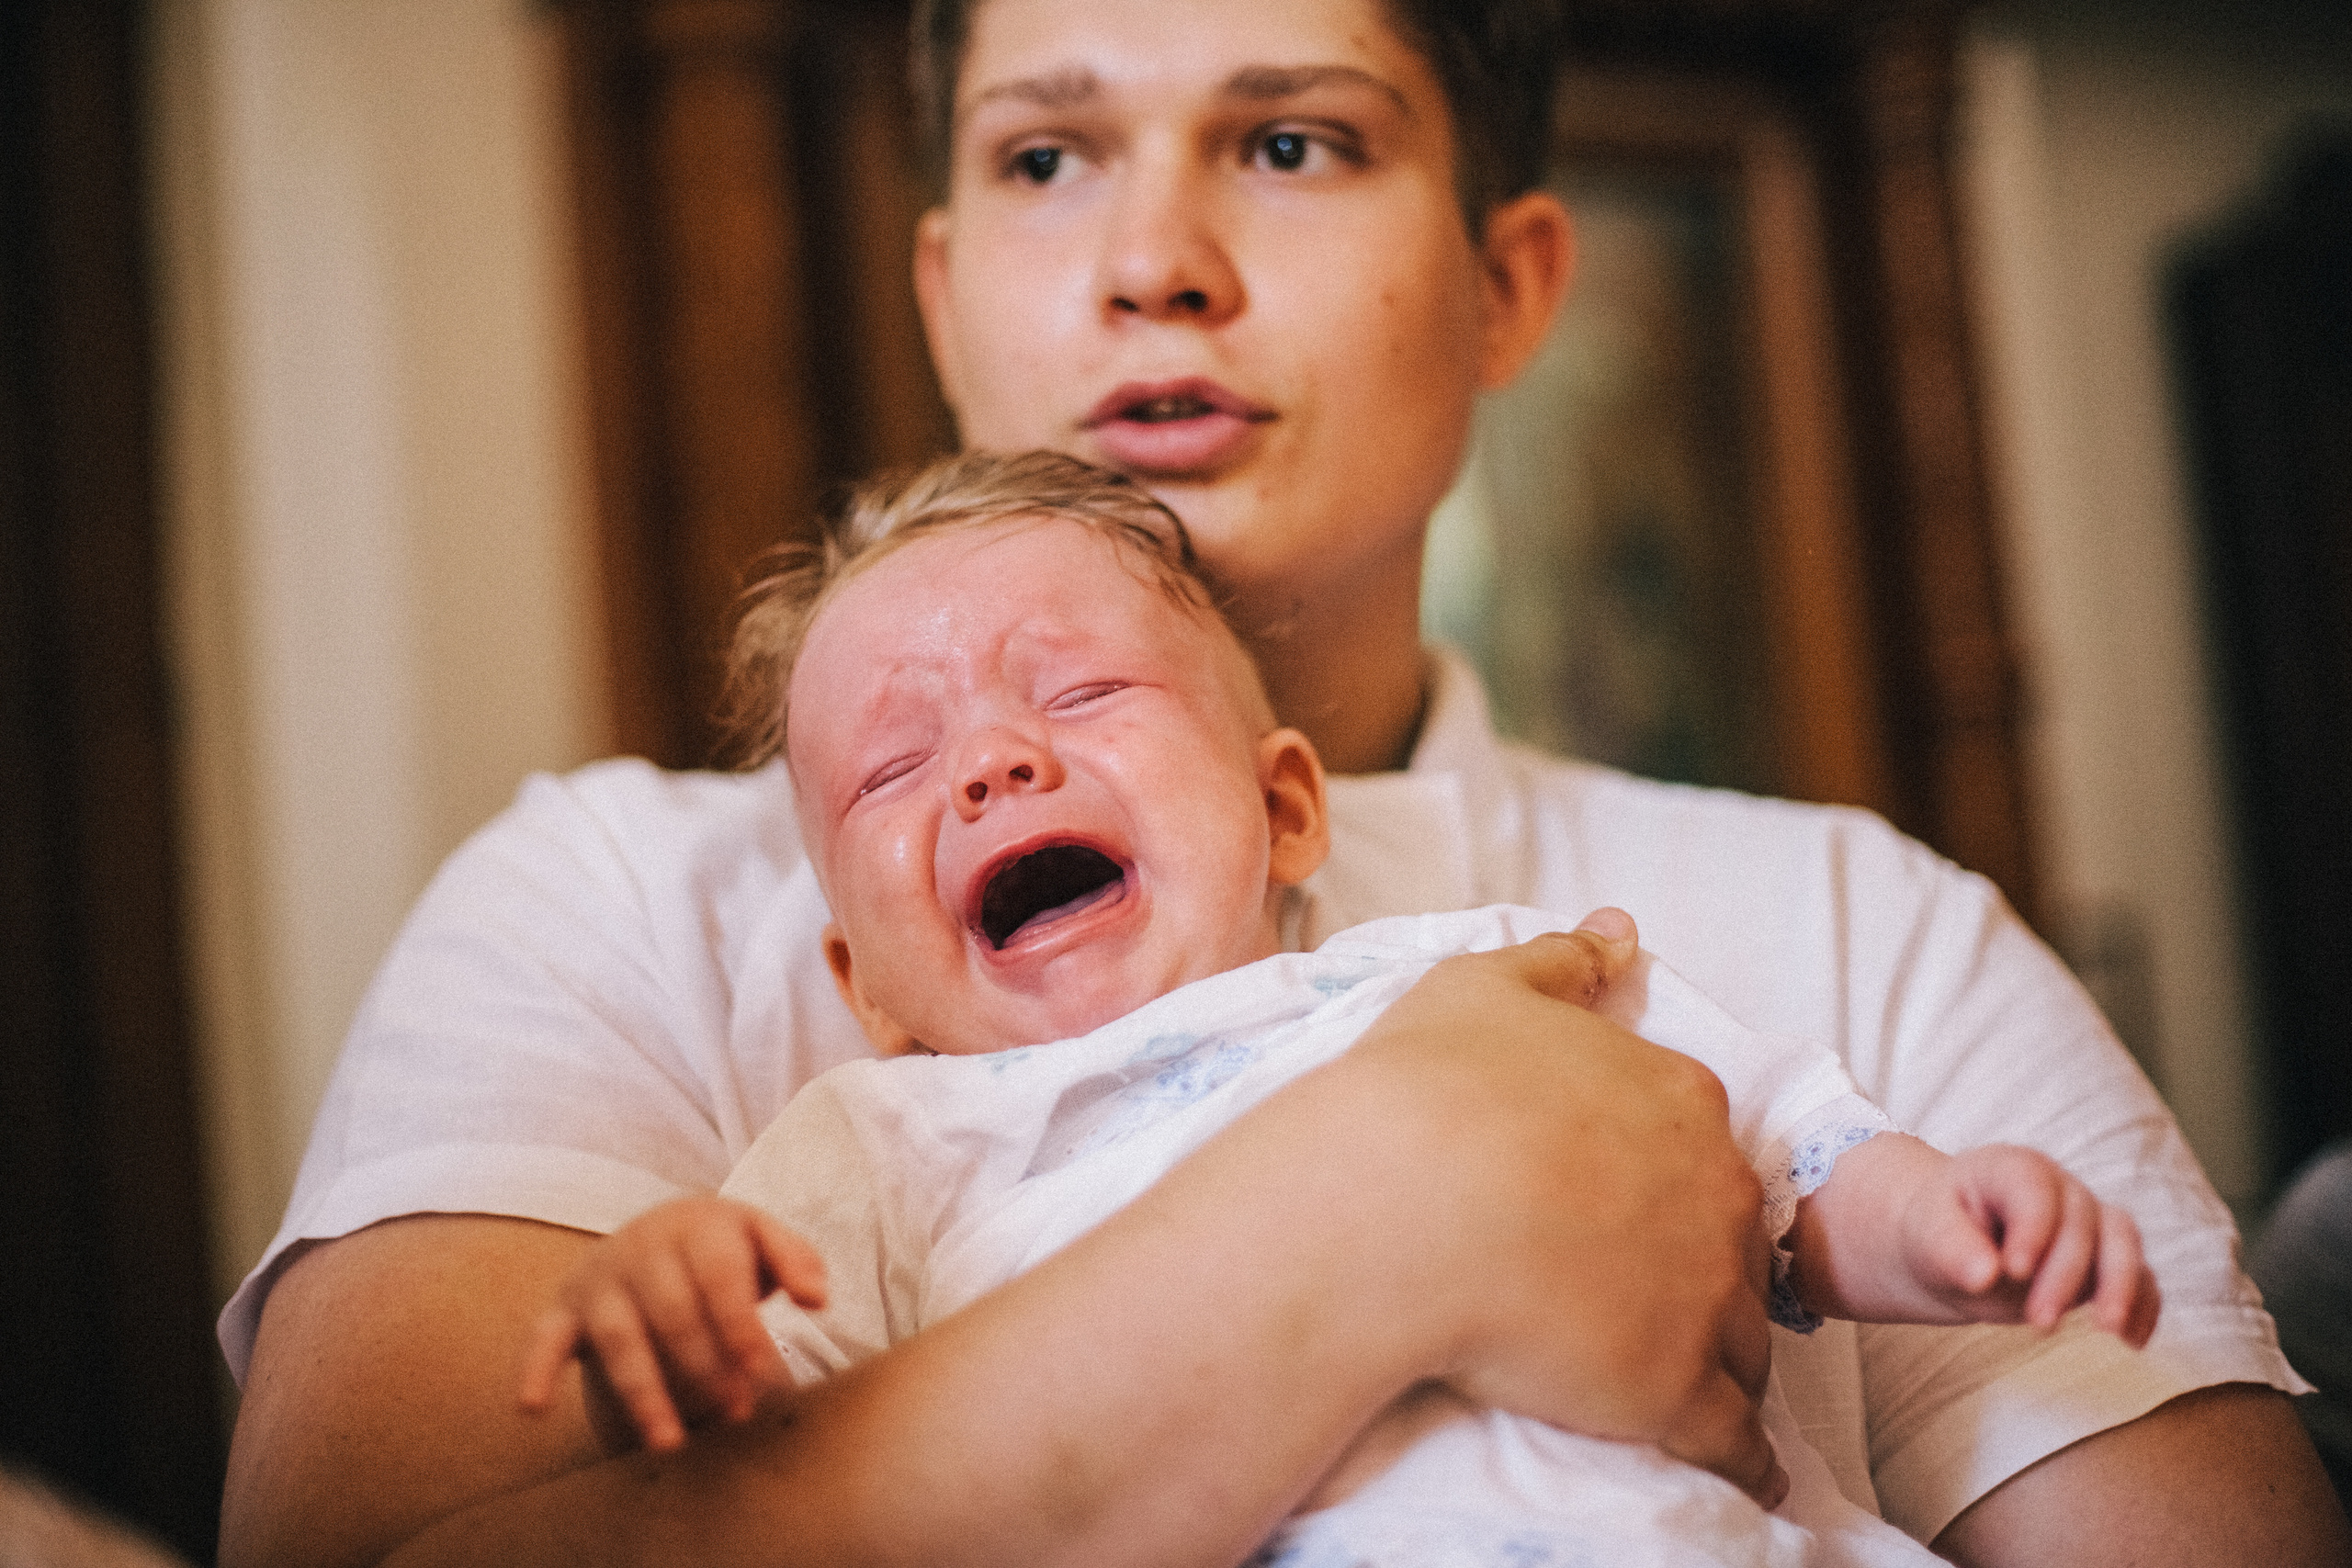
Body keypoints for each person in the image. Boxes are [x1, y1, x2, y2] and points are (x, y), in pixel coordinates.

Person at [217, 2, 2346, 1565]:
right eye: (1044, 157)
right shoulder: (613, 906)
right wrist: (1381, 1212)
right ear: (945, 287)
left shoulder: (1861, 930)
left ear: (1509, 280)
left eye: (1294, 142)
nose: (1153, 260)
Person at [513, 452, 2161, 1568]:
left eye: (1081, 692)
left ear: (1286, 807)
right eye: (894, 767)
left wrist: (1938, 1221)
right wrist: (672, 1311)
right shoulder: (868, 1154)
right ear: (863, 986)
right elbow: (778, 1479)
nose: (997, 762)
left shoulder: (1469, 982)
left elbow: (1778, 1153)